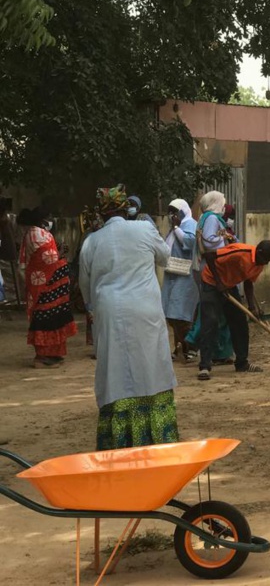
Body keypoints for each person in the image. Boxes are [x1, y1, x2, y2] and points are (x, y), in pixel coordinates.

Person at [78, 185, 178, 450]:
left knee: (115, 369)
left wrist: (95, 307)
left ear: (101, 213)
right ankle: (156, 435)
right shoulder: (144, 229)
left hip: (109, 311)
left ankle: (119, 441)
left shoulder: (92, 241)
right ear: (127, 208)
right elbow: (165, 257)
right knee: (150, 365)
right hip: (145, 308)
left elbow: (85, 288)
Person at [197, 240, 270, 380]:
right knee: (210, 321)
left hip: (229, 285)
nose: (265, 264)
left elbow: (248, 283)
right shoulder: (240, 252)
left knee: (240, 322)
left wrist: (251, 308)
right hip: (211, 282)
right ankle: (204, 366)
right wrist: (218, 282)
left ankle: (242, 363)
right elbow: (209, 256)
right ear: (259, 253)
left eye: (268, 261)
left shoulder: (259, 263)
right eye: (265, 260)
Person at [17, 207, 77, 367]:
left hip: (43, 284)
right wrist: (62, 257)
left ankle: (50, 354)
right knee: (48, 319)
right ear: (42, 219)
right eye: (49, 216)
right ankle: (44, 357)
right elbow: (48, 259)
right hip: (47, 285)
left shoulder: (32, 233)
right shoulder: (38, 234)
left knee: (48, 318)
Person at [187, 190, 234, 363]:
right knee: (213, 310)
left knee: (212, 309)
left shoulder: (203, 218)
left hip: (204, 268)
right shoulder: (212, 219)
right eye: (222, 202)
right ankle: (199, 343)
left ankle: (216, 351)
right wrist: (227, 239)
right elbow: (209, 240)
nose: (224, 206)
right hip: (211, 268)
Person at [161, 199, 199, 362]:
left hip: (185, 276)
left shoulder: (189, 224)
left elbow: (190, 242)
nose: (173, 216)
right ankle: (179, 346)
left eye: (175, 212)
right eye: (171, 212)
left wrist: (177, 227)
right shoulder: (173, 228)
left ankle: (190, 347)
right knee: (171, 314)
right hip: (173, 274)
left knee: (181, 314)